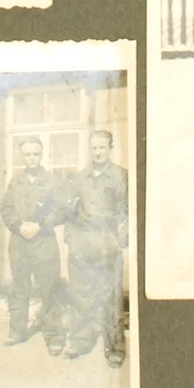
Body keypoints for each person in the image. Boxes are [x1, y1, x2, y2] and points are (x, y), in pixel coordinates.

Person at [62, 130, 130, 367]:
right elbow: (70, 212)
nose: (98, 152)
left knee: (111, 297)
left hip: (107, 244)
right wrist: (71, 239)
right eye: (94, 148)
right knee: (81, 294)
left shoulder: (121, 176)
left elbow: (127, 212)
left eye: (102, 147)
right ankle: (80, 340)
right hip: (82, 245)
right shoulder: (80, 178)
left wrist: (121, 240)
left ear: (110, 148)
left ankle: (115, 347)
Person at [0, 137, 71, 354]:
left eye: (35, 154)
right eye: (27, 154)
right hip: (19, 242)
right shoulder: (16, 181)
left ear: (42, 155)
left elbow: (61, 210)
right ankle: (17, 332)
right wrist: (18, 226)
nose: (31, 158)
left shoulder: (53, 181)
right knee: (19, 289)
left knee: (49, 290)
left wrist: (39, 225)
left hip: (43, 243)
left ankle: (54, 337)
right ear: (22, 156)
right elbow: (7, 208)